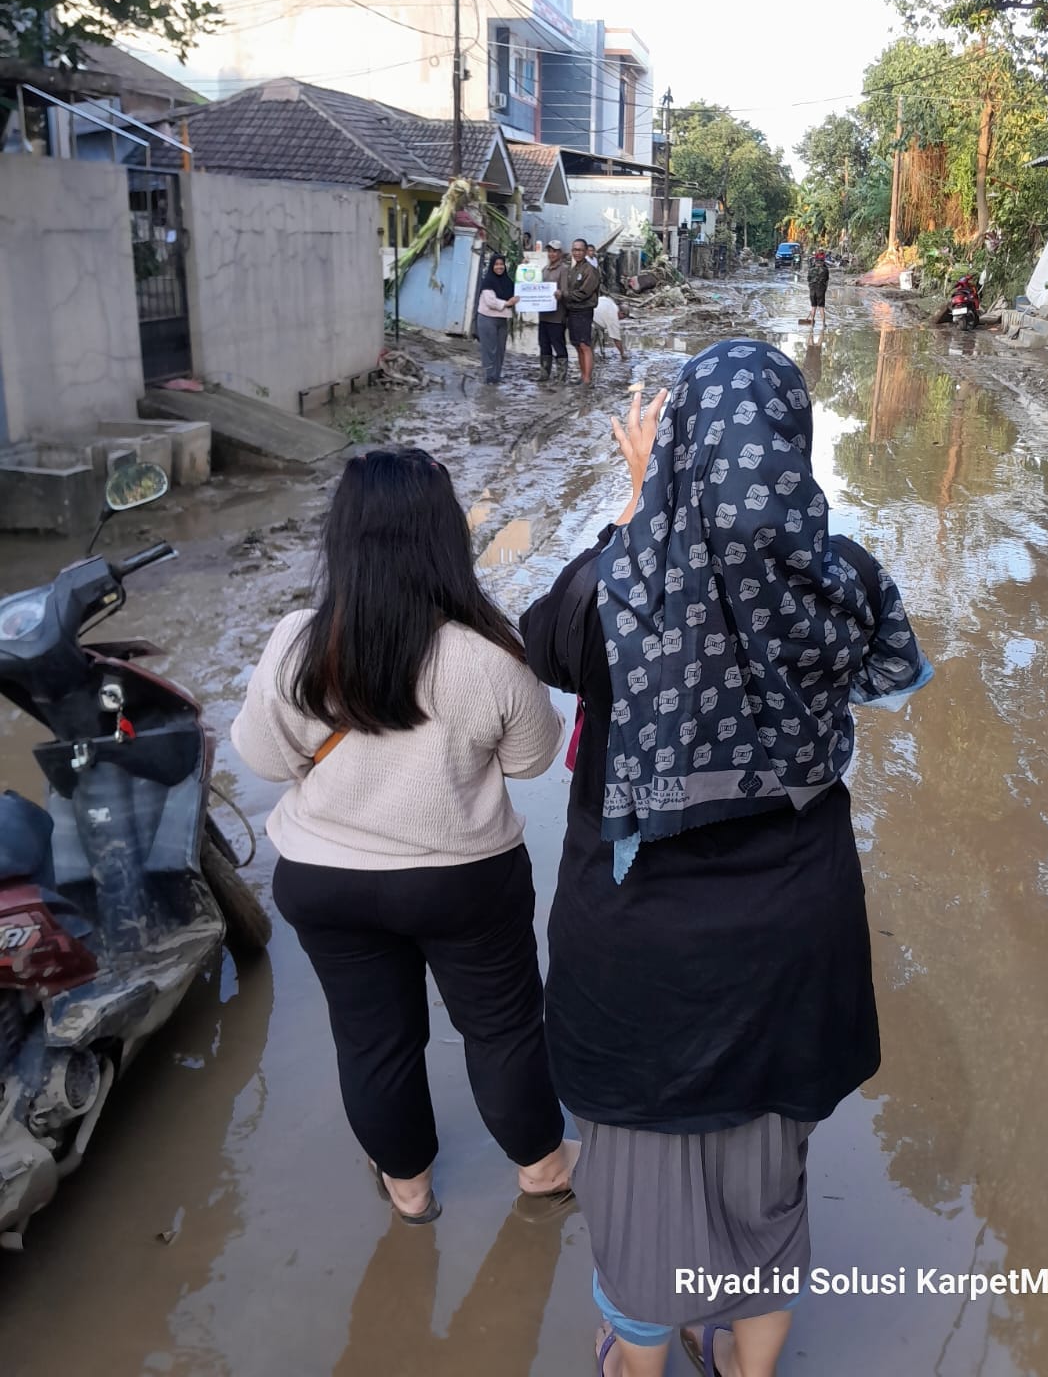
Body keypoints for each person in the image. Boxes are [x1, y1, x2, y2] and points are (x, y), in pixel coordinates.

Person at [520, 341, 932, 1377]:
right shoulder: (847, 582)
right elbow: (889, 678)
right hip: (796, 936)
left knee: (637, 1185)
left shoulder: (611, 589)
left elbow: (543, 642)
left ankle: (638, 1358)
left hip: (637, 955)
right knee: (767, 1175)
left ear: (683, 448)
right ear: (789, 446)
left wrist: (640, 502)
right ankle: (749, 1365)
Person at [231, 449, 576, 1226]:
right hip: (463, 880)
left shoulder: (295, 642)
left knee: (373, 1043)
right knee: (503, 1031)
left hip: (325, 882)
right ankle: (543, 1168)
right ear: (446, 537)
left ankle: (410, 1191)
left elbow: (261, 757)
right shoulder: (489, 654)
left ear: (341, 539)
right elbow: (531, 760)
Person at [563, 238, 601, 386]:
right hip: (572, 311)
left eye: (579, 250)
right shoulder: (574, 269)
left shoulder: (590, 270)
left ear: (585, 252)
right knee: (577, 344)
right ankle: (583, 375)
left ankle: (587, 379)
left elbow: (584, 292)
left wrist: (565, 296)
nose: (576, 253)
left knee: (585, 345)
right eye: (574, 250)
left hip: (584, 311)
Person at [476, 253, 517, 385]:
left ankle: (496, 376)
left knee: (500, 350)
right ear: (492, 266)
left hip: (502, 320)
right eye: (496, 264)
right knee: (489, 349)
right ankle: (489, 377)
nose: (499, 267)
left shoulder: (508, 282)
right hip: (487, 319)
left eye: (501, 264)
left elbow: (517, 294)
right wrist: (507, 303)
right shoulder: (488, 281)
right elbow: (490, 302)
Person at [538, 239, 571, 384]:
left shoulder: (563, 269)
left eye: (554, 251)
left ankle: (561, 376)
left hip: (557, 316)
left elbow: (566, 292)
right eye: (549, 251)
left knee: (558, 344)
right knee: (543, 344)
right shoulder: (544, 270)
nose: (551, 254)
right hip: (543, 315)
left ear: (560, 253)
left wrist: (560, 294)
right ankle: (544, 373)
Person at [593, 294, 629, 359]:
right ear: (621, 313)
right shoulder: (613, 317)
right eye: (623, 317)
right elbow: (616, 339)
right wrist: (622, 354)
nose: (621, 319)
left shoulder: (610, 302)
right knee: (588, 347)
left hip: (588, 313)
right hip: (591, 321)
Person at [807, 249, 829, 321]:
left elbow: (808, 280)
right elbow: (826, 280)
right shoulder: (825, 270)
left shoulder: (810, 270)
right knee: (821, 307)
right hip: (821, 291)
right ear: (822, 261)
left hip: (812, 291)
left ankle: (811, 323)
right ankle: (823, 324)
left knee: (813, 307)